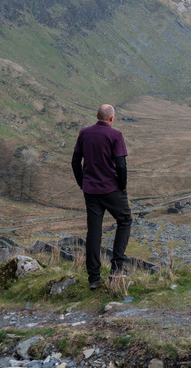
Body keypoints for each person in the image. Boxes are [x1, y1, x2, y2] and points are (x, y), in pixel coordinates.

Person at [71, 103, 132, 289]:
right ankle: (116, 269)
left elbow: (75, 162)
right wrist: (122, 186)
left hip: (91, 191)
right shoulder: (115, 135)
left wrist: (83, 184)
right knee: (125, 221)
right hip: (112, 189)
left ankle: (93, 278)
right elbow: (121, 166)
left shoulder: (84, 133)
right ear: (111, 118)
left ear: (97, 116)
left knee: (94, 231)